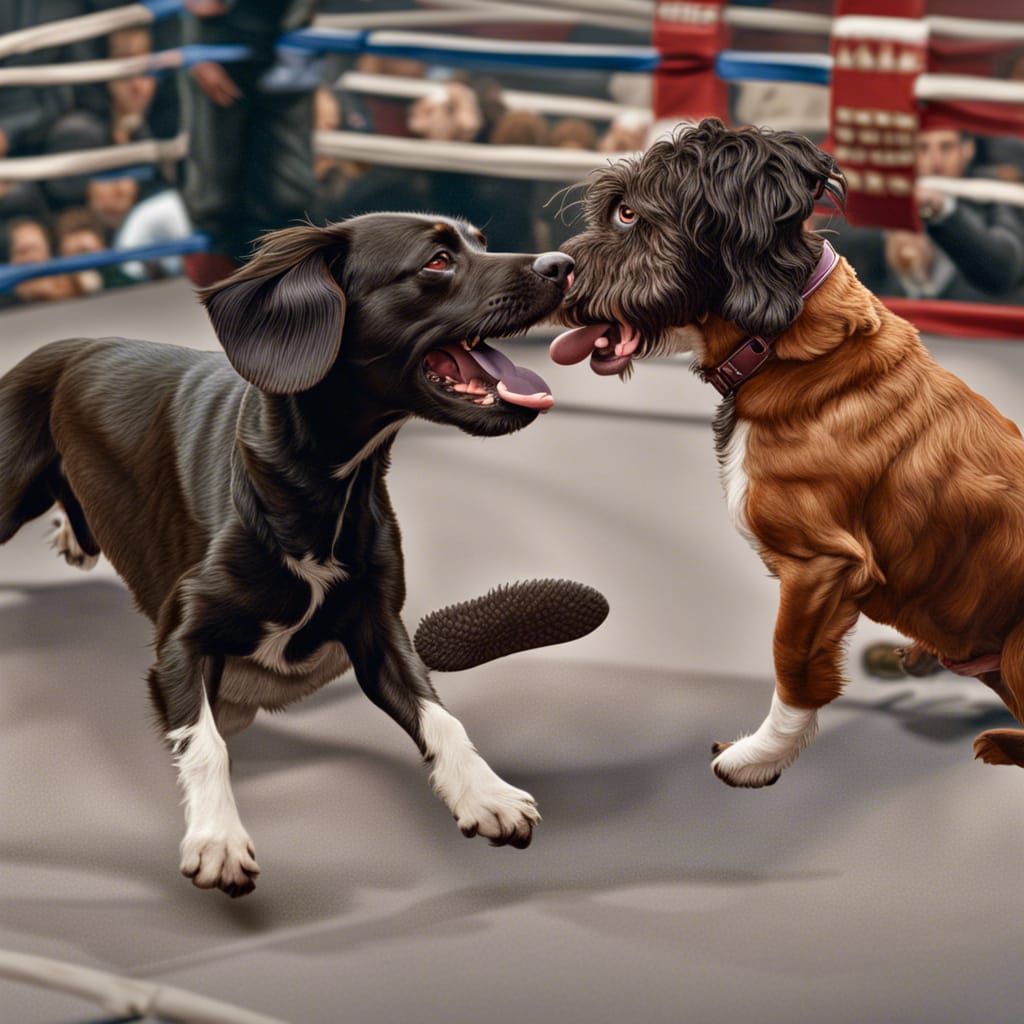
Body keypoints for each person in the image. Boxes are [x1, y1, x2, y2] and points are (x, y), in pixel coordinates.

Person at [179, 0, 319, 286]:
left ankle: (277, 286)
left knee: (280, 188)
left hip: (274, 50)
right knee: (230, 185)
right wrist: (199, 48)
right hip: (232, 48)